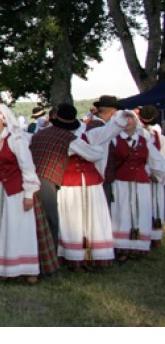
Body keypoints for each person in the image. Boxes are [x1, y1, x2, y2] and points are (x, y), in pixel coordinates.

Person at [31, 102, 127, 251]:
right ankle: (53, 256)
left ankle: (54, 253)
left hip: (43, 178)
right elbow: (94, 154)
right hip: (60, 182)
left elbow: (108, 132)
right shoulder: (68, 138)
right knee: (57, 220)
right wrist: (98, 147)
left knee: (51, 219)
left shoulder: (42, 133)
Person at [0, 103, 58, 283]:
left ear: (2, 117)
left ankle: (28, 269)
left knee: (21, 227)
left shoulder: (16, 139)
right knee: (2, 227)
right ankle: (3, 267)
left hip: (17, 190)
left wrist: (29, 193)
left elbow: (27, 167)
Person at [51, 105, 116, 271]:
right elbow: (94, 154)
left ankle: (91, 255)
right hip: (70, 183)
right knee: (73, 220)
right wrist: (92, 149)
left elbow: (107, 135)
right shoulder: (63, 139)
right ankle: (75, 258)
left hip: (90, 183)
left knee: (91, 220)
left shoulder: (85, 135)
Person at [110, 111, 165, 261]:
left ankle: (137, 246)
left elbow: (155, 159)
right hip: (121, 182)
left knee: (140, 212)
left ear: (136, 121)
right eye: (124, 118)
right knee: (122, 213)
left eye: (130, 118)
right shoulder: (114, 140)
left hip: (140, 182)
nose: (127, 121)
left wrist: (157, 173)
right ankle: (122, 248)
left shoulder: (143, 140)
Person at [86, 95, 124, 207]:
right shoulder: (98, 127)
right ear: (112, 113)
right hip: (100, 175)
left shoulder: (98, 126)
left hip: (104, 175)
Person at [138, 105, 164, 247]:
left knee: (154, 203)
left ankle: (155, 234)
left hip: (153, 170)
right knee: (149, 203)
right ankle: (149, 234)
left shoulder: (154, 132)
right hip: (147, 171)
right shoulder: (142, 132)